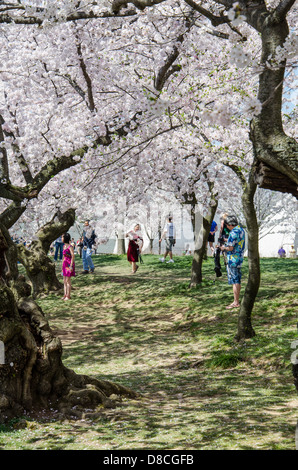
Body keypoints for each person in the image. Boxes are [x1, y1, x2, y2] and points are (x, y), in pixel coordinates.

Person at [220, 215, 245, 309]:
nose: (226, 227)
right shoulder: (241, 230)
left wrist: (223, 247)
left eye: (227, 225)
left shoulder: (233, 233)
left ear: (230, 224)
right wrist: (227, 240)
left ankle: (236, 302)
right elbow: (236, 242)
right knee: (238, 279)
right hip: (239, 258)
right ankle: (236, 300)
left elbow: (230, 248)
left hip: (232, 259)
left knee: (235, 281)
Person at [61, 232, 75, 300]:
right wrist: (62, 266)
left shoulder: (70, 247)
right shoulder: (64, 246)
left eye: (62, 237)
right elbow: (63, 256)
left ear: (65, 238)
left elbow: (72, 256)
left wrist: (71, 266)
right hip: (64, 264)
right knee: (64, 281)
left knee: (68, 281)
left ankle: (68, 296)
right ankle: (65, 294)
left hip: (69, 264)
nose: (61, 238)